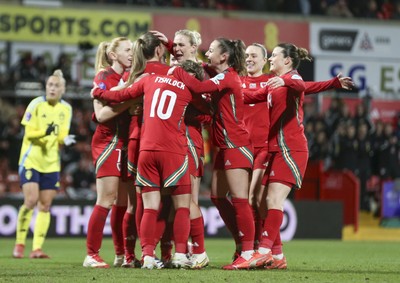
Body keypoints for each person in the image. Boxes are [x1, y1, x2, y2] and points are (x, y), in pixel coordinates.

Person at [92, 60, 206, 269]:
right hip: (173, 150)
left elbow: (120, 95)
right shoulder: (190, 89)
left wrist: (99, 93)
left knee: (149, 208)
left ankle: (147, 257)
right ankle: (180, 255)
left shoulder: (150, 81)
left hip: (146, 149)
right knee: (181, 206)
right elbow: (209, 110)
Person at [171, 37, 272, 270]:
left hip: (236, 145)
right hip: (223, 146)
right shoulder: (220, 74)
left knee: (239, 199)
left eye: (212, 50)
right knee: (217, 196)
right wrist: (178, 52)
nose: (207, 54)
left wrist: (176, 72)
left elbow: (198, 86)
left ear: (224, 56)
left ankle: (249, 250)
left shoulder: (228, 76)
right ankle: (243, 242)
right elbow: (197, 66)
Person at [151, 29, 211, 268]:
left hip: (190, 141)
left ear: (194, 48)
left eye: (181, 45)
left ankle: (193, 251)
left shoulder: (201, 75)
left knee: (187, 201)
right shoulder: (169, 71)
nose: (175, 49)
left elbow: (209, 114)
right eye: (173, 45)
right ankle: (169, 252)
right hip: (165, 142)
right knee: (167, 202)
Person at [13, 69, 75, 259]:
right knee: (30, 201)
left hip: (51, 163)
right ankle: (20, 244)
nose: (52, 88)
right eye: (49, 85)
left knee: (45, 205)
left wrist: (65, 140)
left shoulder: (67, 109)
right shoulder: (36, 105)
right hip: (31, 160)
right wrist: (45, 133)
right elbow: (29, 134)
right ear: (45, 87)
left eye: (56, 86)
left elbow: (62, 134)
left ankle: (37, 248)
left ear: (63, 89)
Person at [83, 37, 133, 268]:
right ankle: (91, 254)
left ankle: (121, 254)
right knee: (106, 198)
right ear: (113, 55)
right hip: (108, 142)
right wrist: (128, 98)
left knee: (122, 202)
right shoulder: (103, 77)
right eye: (127, 50)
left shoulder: (132, 76)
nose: (132, 54)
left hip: (126, 142)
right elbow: (101, 116)